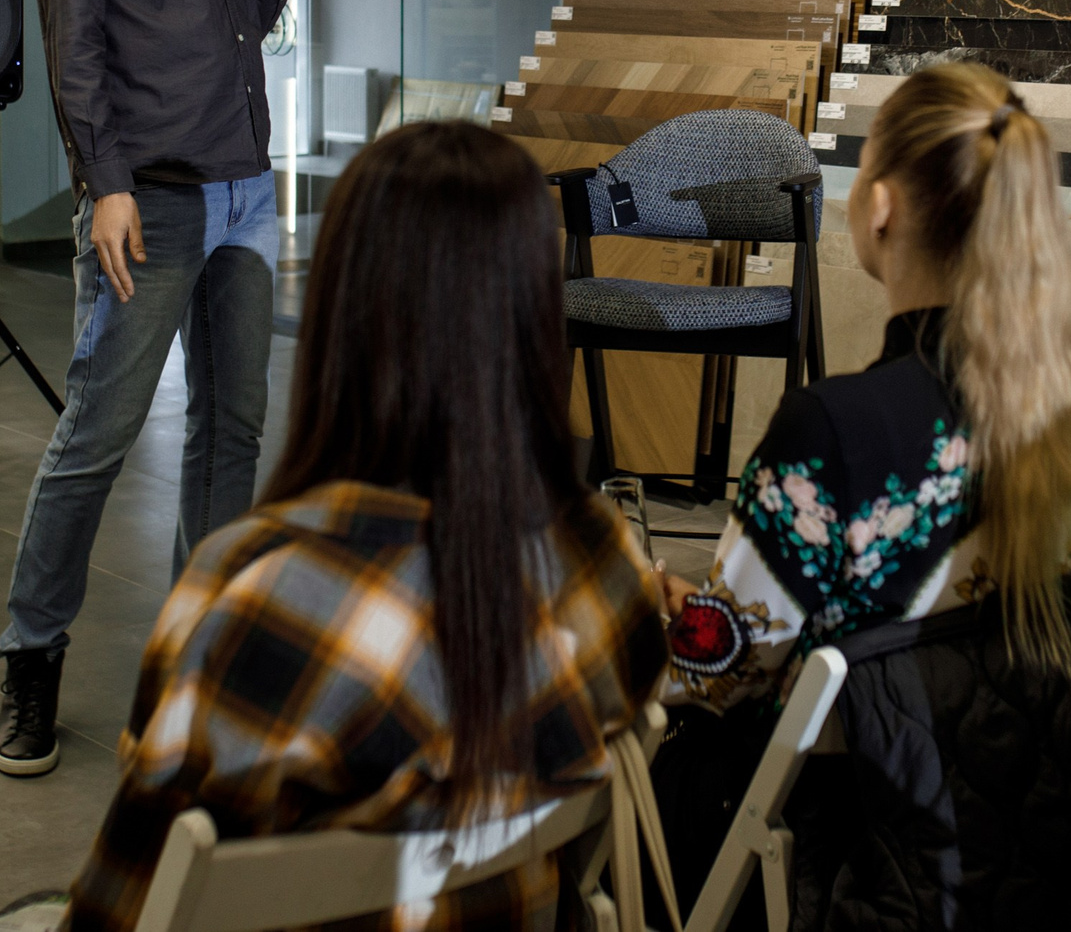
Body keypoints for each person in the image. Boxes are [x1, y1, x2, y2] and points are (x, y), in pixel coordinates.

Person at [659, 62, 1071, 929]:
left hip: (851, 837)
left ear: (881, 207)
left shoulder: (828, 425)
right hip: (1023, 825)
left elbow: (723, 680)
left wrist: (663, 613)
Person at [60, 122, 669, 932]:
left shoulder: (249, 595)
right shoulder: (607, 560)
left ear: (345, 308)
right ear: (531, 317)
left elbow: (124, 901)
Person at [0, 0, 308, 777]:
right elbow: (74, 37)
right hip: (151, 201)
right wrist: (103, 182)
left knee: (231, 434)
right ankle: (31, 656)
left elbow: (250, 20)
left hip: (243, 194)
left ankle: (199, 663)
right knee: (99, 438)